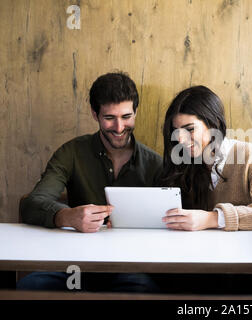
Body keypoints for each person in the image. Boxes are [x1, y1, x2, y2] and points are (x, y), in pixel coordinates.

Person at [17, 72, 162, 292]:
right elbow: (32, 203)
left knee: (144, 290)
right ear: (95, 114)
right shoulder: (72, 152)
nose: (119, 127)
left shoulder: (155, 164)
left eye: (126, 117)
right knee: (31, 285)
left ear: (136, 112)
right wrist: (65, 215)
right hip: (76, 264)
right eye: (109, 118)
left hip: (130, 268)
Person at [159, 85, 252, 231]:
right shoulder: (183, 164)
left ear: (214, 123)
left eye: (190, 129)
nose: (181, 140)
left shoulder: (250, 156)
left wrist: (212, 218)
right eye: (176, 131)